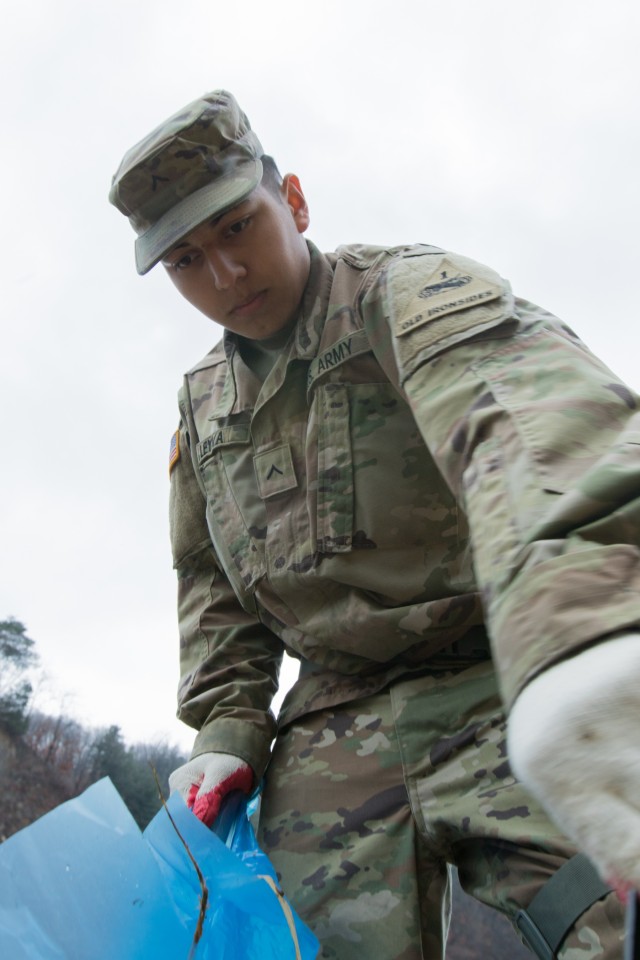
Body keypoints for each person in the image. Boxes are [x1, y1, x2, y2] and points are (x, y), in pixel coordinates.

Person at [109, 89, 640, 960]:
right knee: (288, 947)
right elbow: (212, 584)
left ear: (296, 203)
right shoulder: (202, 407)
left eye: (239, 229)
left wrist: (582, 640)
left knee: (610, 920)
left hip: (495, 680)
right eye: (185, 261)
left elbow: (530, 430)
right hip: (333, 717)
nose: (224, 277)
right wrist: (229, 733)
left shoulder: (409, 296)